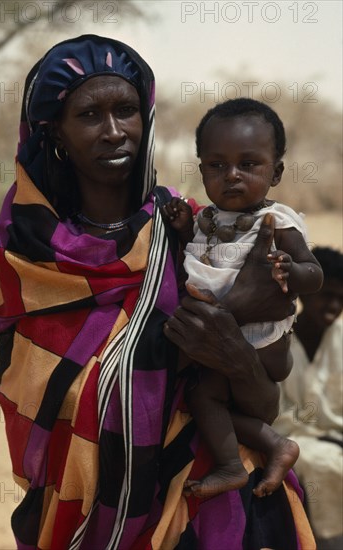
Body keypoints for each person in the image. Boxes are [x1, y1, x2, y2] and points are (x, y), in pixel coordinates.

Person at [0, 36, 316, 549]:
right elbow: (41, 407)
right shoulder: (30, 257)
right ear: (56, 133)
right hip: (83, 509)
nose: (114, 131)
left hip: (213, 504)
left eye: (127, 110)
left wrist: (233, 354)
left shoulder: (192, 232)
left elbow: (263, 402)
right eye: (90, 114)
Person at [163, 98, 323, 499]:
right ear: (201, 170)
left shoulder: (279, 222)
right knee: (209, 399)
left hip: (262, 341)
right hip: (222, 335)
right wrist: (183, 229)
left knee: (204, 395)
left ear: (276, 171)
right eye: (217, 166)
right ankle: (276, 445)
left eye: (248, 165)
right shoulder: (208, 219)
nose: (231, 176)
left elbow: (314, 274)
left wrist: (290, 268)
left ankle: (231, 465)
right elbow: (201, 260)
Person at [273, 246, 343, 550]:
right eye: (327, 295)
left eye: (341, 299)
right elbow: (274, 413)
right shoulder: (276, 338)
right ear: (306, 294)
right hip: (288, 441)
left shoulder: (340, 340)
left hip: (336, 438)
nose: (333, 306)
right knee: (321, 464)